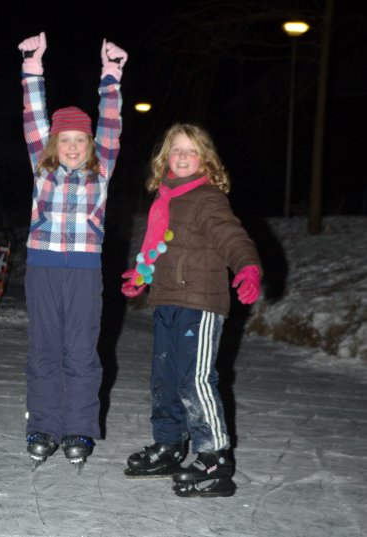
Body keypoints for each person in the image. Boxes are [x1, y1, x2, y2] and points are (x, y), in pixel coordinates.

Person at [121, 122, 262, 497]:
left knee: (194, 380)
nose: (182, 157)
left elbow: (232, 236)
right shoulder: (166, 198)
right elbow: (158, 248)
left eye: (191, 151)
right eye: (176, 150)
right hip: (167, 300)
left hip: (199, 304)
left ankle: (215, 457)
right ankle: (169, 445)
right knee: (164, 378)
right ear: (165, 157)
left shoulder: (206, 198)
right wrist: (140, 275)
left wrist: (247, 265)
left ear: (205, 160)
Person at [18, 32, 127, 471]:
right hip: (42, 266)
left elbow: (111, 125)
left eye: (80, 141)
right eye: (65, 141)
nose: (73, 147)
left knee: (81, 350)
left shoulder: (101, 170)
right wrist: (31, 67)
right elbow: (33, 117)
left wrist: (112, 76)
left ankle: (79, 427)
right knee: (44, 348)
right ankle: (43, 426)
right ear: (52, 145)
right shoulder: (41, 170)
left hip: (84, 269)